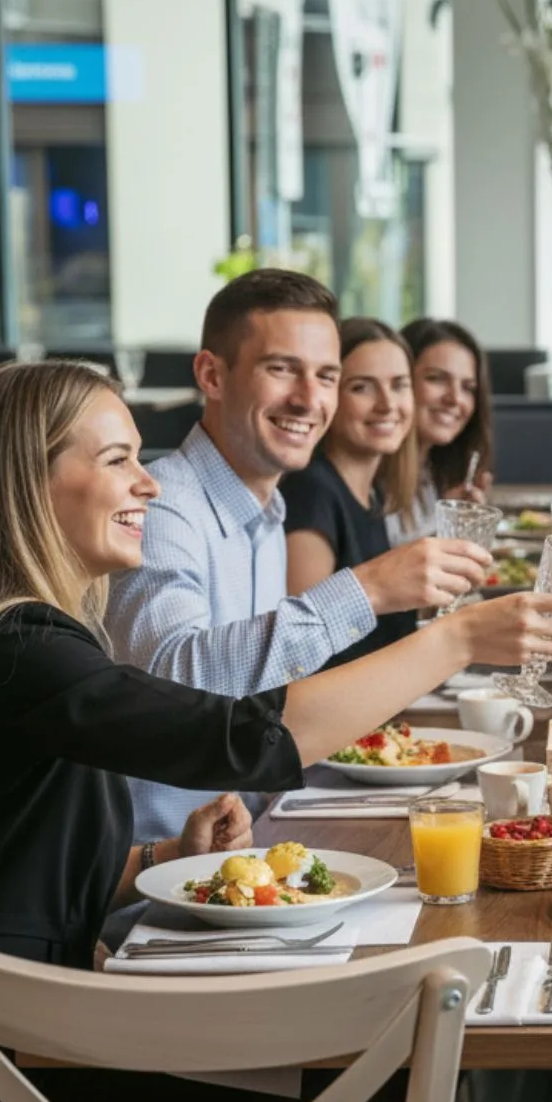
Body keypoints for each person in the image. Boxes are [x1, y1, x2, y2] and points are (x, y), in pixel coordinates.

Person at [0, 361, 552, 1102]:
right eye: (120, 458)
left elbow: (7, 868)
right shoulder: (18, 651)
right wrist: (456, 640)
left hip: (2, 1054)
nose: (148, 482)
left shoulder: (21, 638)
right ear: (30, 482)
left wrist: (161, 861)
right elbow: (246, 738)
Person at [105, 271, 497, 847]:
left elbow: (269, 699)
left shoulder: (267, 511)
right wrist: (366, 590)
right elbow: (173, 684)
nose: (310, 400)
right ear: (212, 375)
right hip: (162, 883)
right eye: (281, 368)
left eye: (327, 376)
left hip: (260, 837)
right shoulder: (165, 508)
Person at [281, 317, 425, 668]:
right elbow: (304, 657)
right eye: (363, 387)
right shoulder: (311, 492)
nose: (387, 405)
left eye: (399, 385)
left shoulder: (371, 494)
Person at [391, 316, 495, 543]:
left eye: (468, 388)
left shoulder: (431, 473)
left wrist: (450, 520)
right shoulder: (372, 480)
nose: (455, 399)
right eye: (436, 379)